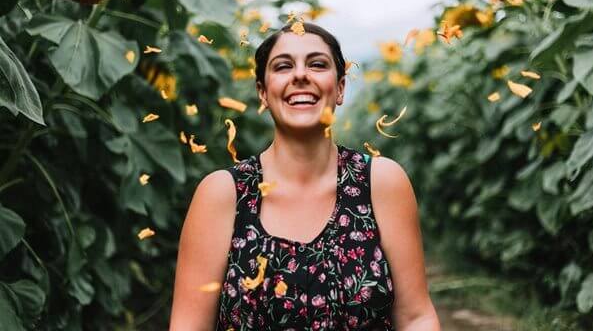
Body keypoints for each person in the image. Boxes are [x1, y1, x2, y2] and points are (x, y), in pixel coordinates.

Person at [170, 22, 441, 330]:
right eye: (283, 66)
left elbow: (416, 317)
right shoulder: (223, 194)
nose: (301, 75)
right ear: (262, 92)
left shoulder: (381, 182)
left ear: (339, 89)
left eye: (317, 64)